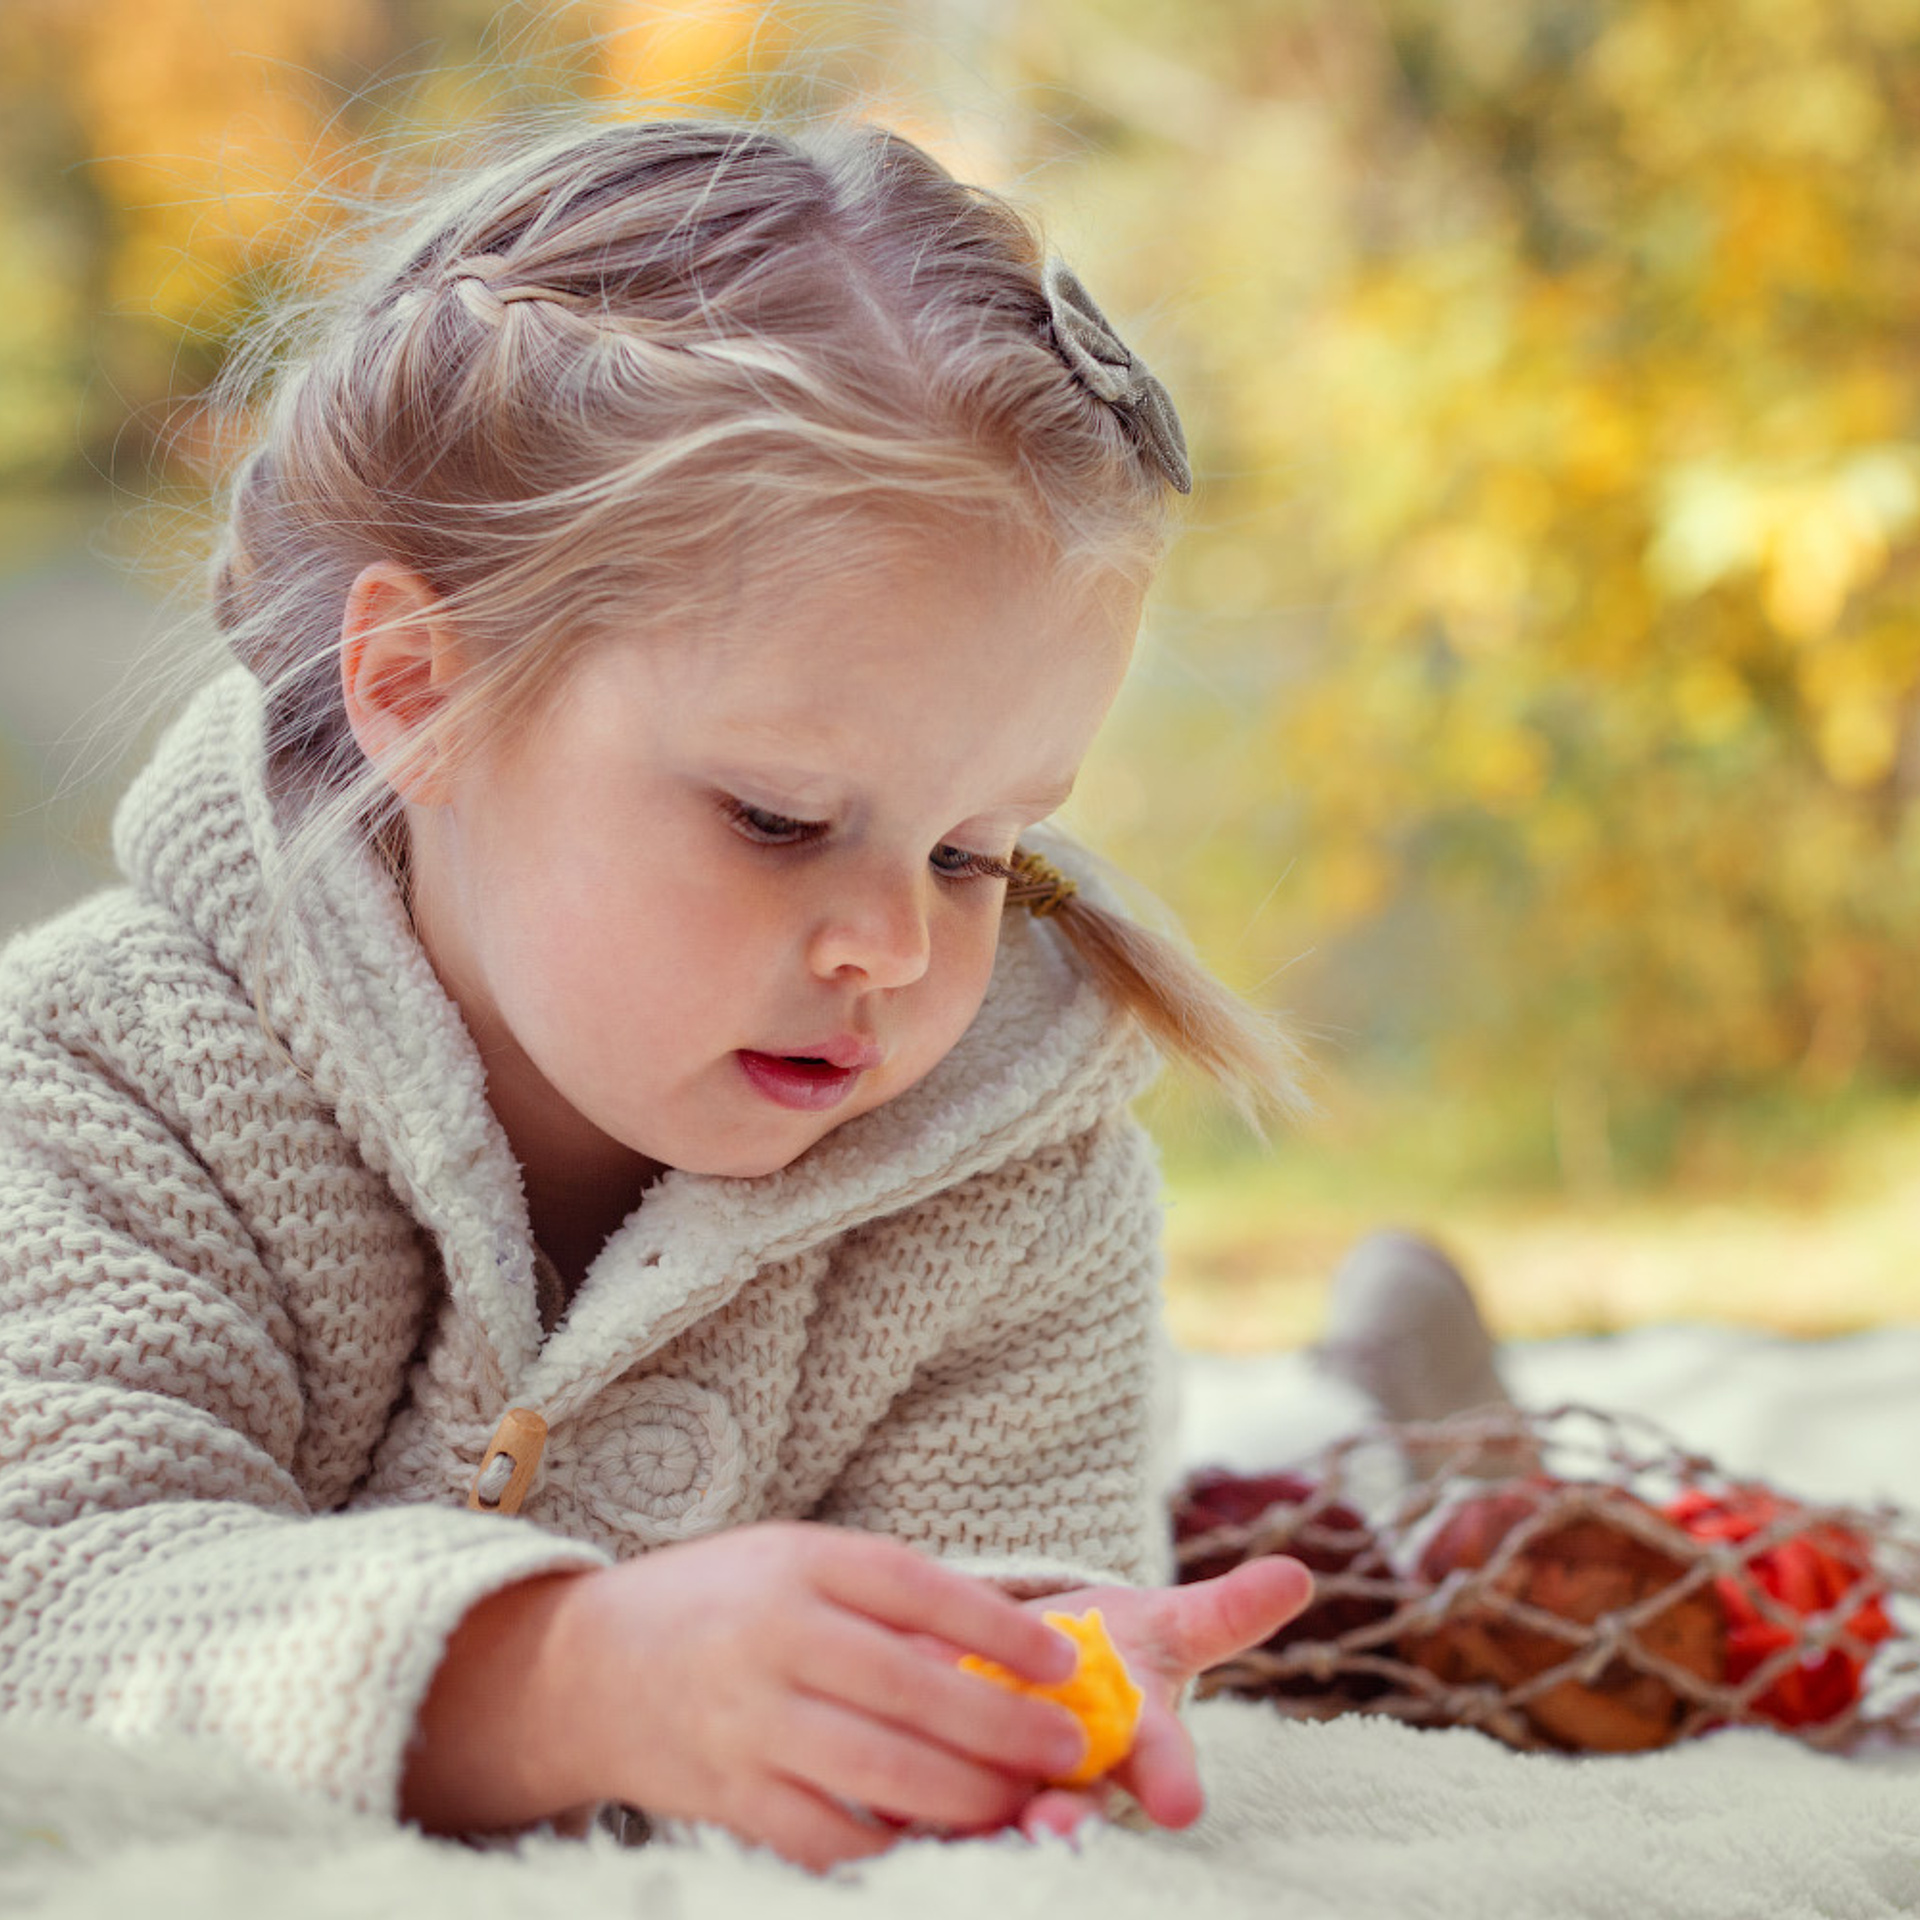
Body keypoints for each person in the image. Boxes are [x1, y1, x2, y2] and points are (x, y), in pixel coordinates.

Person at [0, 113, 1311, 1870]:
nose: (896, 949)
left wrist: (1044, 1675)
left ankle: (1395, 1397)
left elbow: (1007, 1558)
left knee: (1357, 1539)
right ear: (419, 694)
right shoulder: (110, 1083)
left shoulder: (1010, 1163)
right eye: (778, 820)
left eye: (975, 850)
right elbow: (59, 1591)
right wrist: (564, 1681)